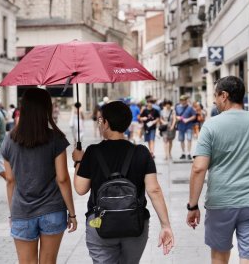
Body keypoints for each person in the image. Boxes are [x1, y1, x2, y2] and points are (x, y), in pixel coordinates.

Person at [187, 76, 249, 264]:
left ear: (224, 96)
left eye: (215, 95)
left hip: (221, 202)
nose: (214, 101)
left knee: (219, 256)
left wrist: (193, 205)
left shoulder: (211, 125)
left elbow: (199, 168)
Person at [72, 101, 174, 263]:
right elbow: (154, 190)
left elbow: (80, 188)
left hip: (99, 223)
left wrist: (78, 161)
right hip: (134, 224)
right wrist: (165, 225)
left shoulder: (93, 152)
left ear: (106, 123)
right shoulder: (141, 152)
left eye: (100, 120)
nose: (99, 124)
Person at [1, 88, 77, 264]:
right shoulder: (55, 138)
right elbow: (63, 179)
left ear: (24, 108)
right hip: (52, 209)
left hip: (22, 211)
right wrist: (72, 213)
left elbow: (10, 180)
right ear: (47, 108)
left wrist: (13, 214)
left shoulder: (9, 139)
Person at [175, 95, 196, 160]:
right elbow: (175, 115)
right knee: (181, 140)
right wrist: (177, 118)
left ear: (186, 100)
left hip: (188, 125)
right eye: (181, 100)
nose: (182, 101)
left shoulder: (190, 108)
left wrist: (188, 119)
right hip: (181, 125)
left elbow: (194, 116)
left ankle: (189, 153)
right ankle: (183, 153)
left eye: (183, 100)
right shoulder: (177, 107)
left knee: (189, 139)